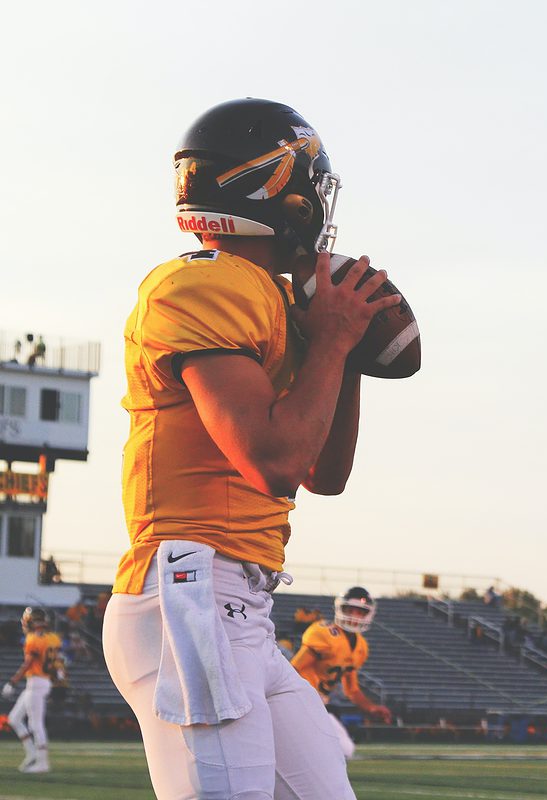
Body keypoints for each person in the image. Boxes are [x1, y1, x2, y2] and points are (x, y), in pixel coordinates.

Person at [101, 97, 403, 800]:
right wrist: (328, 340)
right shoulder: (202, 282)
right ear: (277, 190)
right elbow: (270, 461)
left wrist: (346, 352)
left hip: (241, 603)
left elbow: (323, 471)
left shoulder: (267, 298)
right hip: (192, 591)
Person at [291, 587, 392, 759]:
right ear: (340, 609)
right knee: (336, 750)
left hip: (319, 704)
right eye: (349, 609)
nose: (354, 615)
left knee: (345, 749)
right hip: (300, 700)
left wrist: (371, 708)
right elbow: (293, 668)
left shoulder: (360, 646)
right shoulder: (324, 633)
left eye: (360, 611)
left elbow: (352, 690)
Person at [1, 607, 61, 773]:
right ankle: (32, 754)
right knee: (14, 718)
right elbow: (55, 662)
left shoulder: (33, 639)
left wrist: (13, 682)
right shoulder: (53, 638)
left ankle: (43, 762)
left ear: (33, 621)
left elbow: (28, 663)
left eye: (26, 619)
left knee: (36, 724)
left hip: (36, 682)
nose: (23, 622)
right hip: (40, 682)